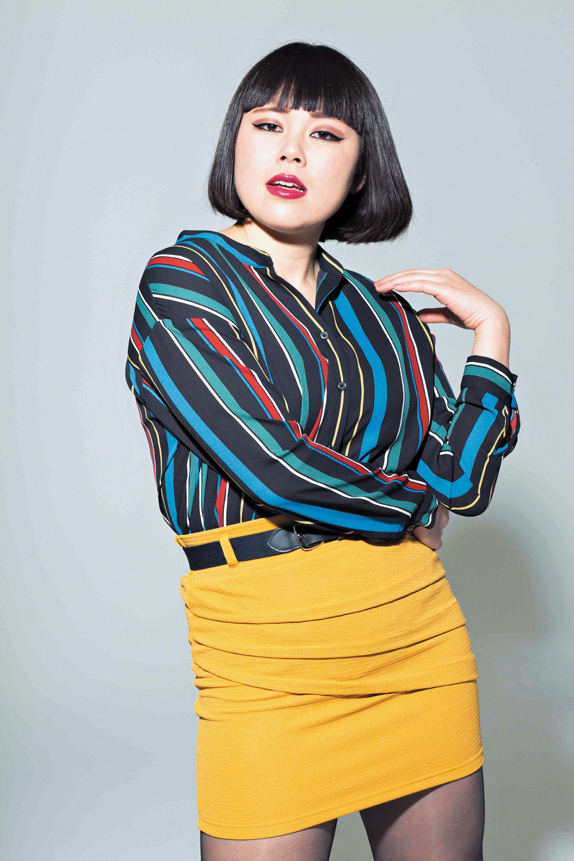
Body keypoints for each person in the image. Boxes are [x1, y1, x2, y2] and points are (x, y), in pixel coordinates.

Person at [125, 41, 520, 861]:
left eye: (327, 133)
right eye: (268, 124)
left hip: (415, 640)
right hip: (264, 648)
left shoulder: (386, 316)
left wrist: (491, 338)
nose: (292, 151)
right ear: (236, 141)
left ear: (363, 168)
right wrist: (411, 503)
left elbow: (462, 481)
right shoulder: (185, 280)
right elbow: (275, 467)